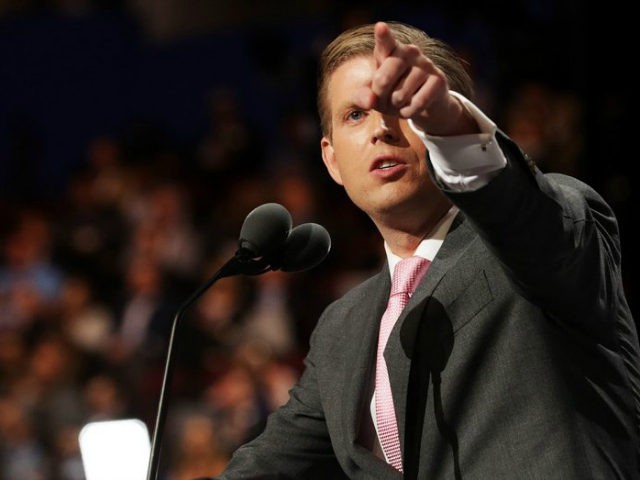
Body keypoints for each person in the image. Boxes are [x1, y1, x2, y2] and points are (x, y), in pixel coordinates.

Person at [197, 20, 640, 479]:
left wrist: (453, 131)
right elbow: (267, 467)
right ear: (331, 160)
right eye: (355, 115)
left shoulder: (538, 236)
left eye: (399, 106)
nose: (381, 129)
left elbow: (525, 217)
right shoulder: (342, 328)